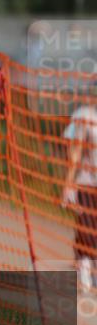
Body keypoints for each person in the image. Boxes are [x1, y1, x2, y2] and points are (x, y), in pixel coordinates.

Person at [62, 98, 97, 292]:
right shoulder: (84, 115)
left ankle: (85, 266)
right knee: (86, 227)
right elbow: (74, 151)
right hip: (87, 184)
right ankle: (83, 271)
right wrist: (68, 183)